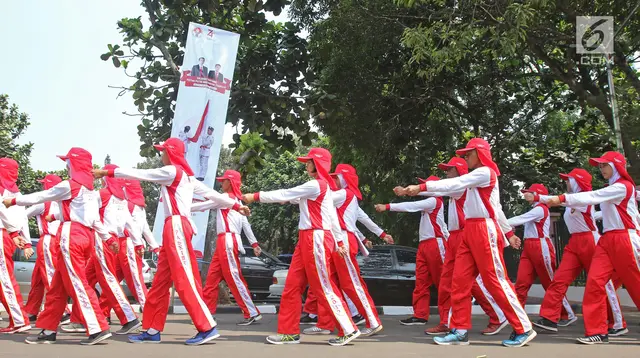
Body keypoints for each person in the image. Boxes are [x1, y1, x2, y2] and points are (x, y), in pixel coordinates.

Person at [92, 137, 250, 346]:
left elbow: (143, 174)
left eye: (163, 151)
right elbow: (213, 195)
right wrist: (236, 206)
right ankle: (152, 329)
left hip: (176, 226)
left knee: (185, 279)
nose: (161, 155)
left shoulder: (173, 171)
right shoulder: (186, 177)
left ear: (171, 152)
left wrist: (109, 172)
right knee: (159, 283)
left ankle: (207, 327)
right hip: (173, 227)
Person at [404, 138, 535, 348]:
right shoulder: (476, 178)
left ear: (480, 153)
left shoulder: (485, 173)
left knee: (495, 280)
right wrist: (509, 233)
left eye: (469, 154)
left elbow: (456, 184)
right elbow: (496, 207)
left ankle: (523, 327)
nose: (466, 157)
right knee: (460, 282)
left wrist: (421, 187)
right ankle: (460, 330)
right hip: (470, 231)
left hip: (484, 230)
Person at [242, 147, 361, 346]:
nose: (305, 164)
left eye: (309, 161)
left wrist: (255, 196)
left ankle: (348, 328)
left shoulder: (317, 185)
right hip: (307, 239)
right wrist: (339, 241)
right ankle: (289, 332)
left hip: (316, 238)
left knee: (323, 286)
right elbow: (329, 215)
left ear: (317, 164)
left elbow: (286, 193)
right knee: (291, 286)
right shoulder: (322, 188)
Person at [5, 148, 115, 345]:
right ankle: (48, 330)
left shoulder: (69, 185)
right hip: (86, 236)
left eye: (68, 163)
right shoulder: (89, 190)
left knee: (77, 282)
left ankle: (97, 327)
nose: (66, 167)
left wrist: (14, 200)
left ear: (74, 165)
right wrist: (108, 238)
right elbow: (95, 220)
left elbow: (42, 196)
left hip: (71, 235)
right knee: (57, 286)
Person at [396, 157, 508, 336]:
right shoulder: (462, 189)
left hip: (468, 234)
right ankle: (448, 322)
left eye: (450, 169)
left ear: (459, 171)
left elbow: (445, 187)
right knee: (449, 283)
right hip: (455, 238)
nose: (446, 173)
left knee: (478, 282)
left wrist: (418, 189)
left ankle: (498, 315)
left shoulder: (461, 188)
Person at [541, 151, 640, 345]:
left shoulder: (623, 186)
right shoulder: (612, 188)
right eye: (600, 166)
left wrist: (561, 198)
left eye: (604, 165)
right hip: (607, 240)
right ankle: (597, 331)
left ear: (617, 165)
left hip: (624, 239)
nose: (601, 169)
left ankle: (614, 324)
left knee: (636, 285)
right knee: (594, 283)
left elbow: (593, 196)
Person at [531, 168, 627, 336]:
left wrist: (540, 197)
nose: (566, 183)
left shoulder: (585, 198)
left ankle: (617, 323)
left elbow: (568, 201)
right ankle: (549, 318)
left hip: (591, 241)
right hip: (574, 242)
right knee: (559, 279)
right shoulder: (574, 200)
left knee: (602, 284)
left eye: (569, 180)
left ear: (577, 182)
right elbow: (567, 202)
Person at [191, 170, 262, 325]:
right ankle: (207, 314)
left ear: (230, 182)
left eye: (223, 181)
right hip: (225, 242)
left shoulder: (225, 198)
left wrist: (184, 208)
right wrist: (254, 244)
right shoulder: (238, 202)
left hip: (227, 241)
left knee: (234, 278)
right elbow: (246, 225)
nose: (220, 183)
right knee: (211, 280)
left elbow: (206, 204)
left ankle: (251, 312)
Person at [376, 176, 448, 327]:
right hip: (425, 245)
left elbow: (411, 206)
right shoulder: (431, 201)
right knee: (421, 282)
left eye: (426, 185)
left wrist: (387, 206)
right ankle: (420, 315)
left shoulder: (434, 201)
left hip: (436, 243)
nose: (423, 186)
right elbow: (417, 195)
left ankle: (448, 318)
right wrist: (404, 191)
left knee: (442, 282)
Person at [507, 183, 576, 325]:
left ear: (538, 194)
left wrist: (500, 223)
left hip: (541, 246)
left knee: (550, 282)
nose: (526, 194)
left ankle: (567, 314)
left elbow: (520, 219)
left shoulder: (540, 209)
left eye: (529, 192)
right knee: (521, 283)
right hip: (529, 247)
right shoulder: (536, 208)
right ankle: (516, 315)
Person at [90, 164, 141, 335]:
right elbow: (130, 223)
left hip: (104, 238)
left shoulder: (103, 194)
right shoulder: (122, 199)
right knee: (85, 278)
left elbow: (85, 213)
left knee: (108, 279)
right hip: (114, 240)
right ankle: (81, 318)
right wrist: (138, 242)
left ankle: (129, 317)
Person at [23, 174, 72, 325]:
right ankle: (31, 310)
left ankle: (63, 311)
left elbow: (23, 215)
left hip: (48, 240)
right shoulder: (63, 202)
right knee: (38, 279)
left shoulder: (44, 203)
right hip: (57, 239)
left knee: (50, 276)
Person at [0, 158, 33, 334]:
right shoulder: (17, 194)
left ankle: (20, 320)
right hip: (9, 236)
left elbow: (2, 212)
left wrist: (14, 234)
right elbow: (24, 220)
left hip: (3, 235)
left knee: (5, 281)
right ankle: (17, 320)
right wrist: (26, 241)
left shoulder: (2, 191)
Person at [120, 178, 160, 310]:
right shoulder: (139, 207)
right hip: (129, 245)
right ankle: (104, 311)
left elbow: (132, 228)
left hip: (128, 245)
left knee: (135, 281)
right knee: (110, 280)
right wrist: (154, 247)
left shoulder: (128, 205)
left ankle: (150, 310)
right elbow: (146, 229)